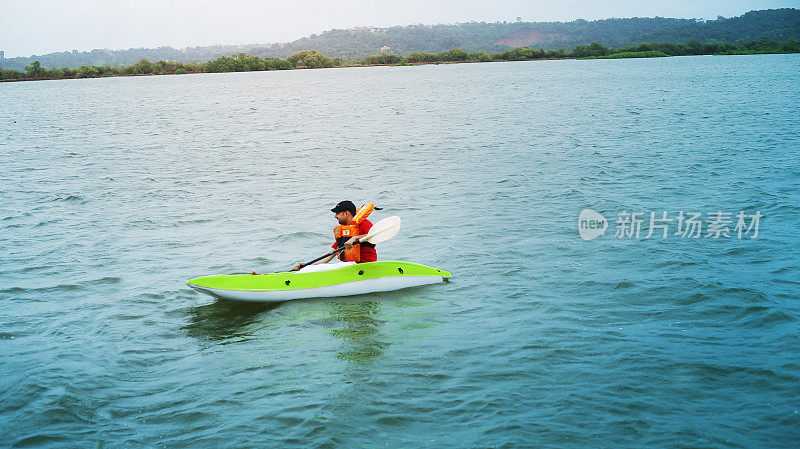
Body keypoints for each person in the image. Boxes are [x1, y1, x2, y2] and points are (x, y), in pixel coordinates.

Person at [292, 201, 377, 271]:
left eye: (337, 213)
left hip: (366, 267)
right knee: (316, 268)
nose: (335, 216)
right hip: (351, 267)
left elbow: (374, 235)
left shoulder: (365, 224)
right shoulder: (345, 233)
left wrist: (355, 238)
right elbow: (328, 255)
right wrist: (307, 266)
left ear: (346, 214)